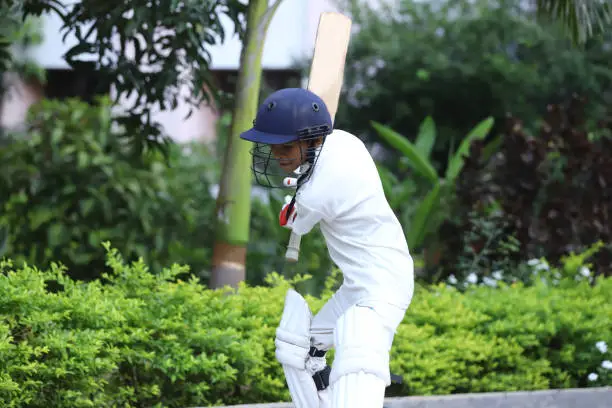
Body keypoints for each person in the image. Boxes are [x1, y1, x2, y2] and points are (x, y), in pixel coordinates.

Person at [240, 88, 414, 408]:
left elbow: (293, 221)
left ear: (311, 140)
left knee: (358, 356)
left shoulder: (316, 194)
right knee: (301, 347)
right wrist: (304, 169)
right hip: (361, 283)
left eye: (286, 146)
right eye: (273, 145)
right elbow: (316, 176)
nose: (277, 154)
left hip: (382, 286)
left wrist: (299, 190)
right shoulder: (345, 142)